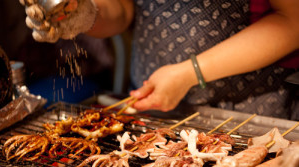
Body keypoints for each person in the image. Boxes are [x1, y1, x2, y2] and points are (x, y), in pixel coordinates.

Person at [20, 0, 299, 119]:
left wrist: (190, 73)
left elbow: (293, 21)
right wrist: (88, 13)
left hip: (253, 109)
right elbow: (124, 11)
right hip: (153, 106)